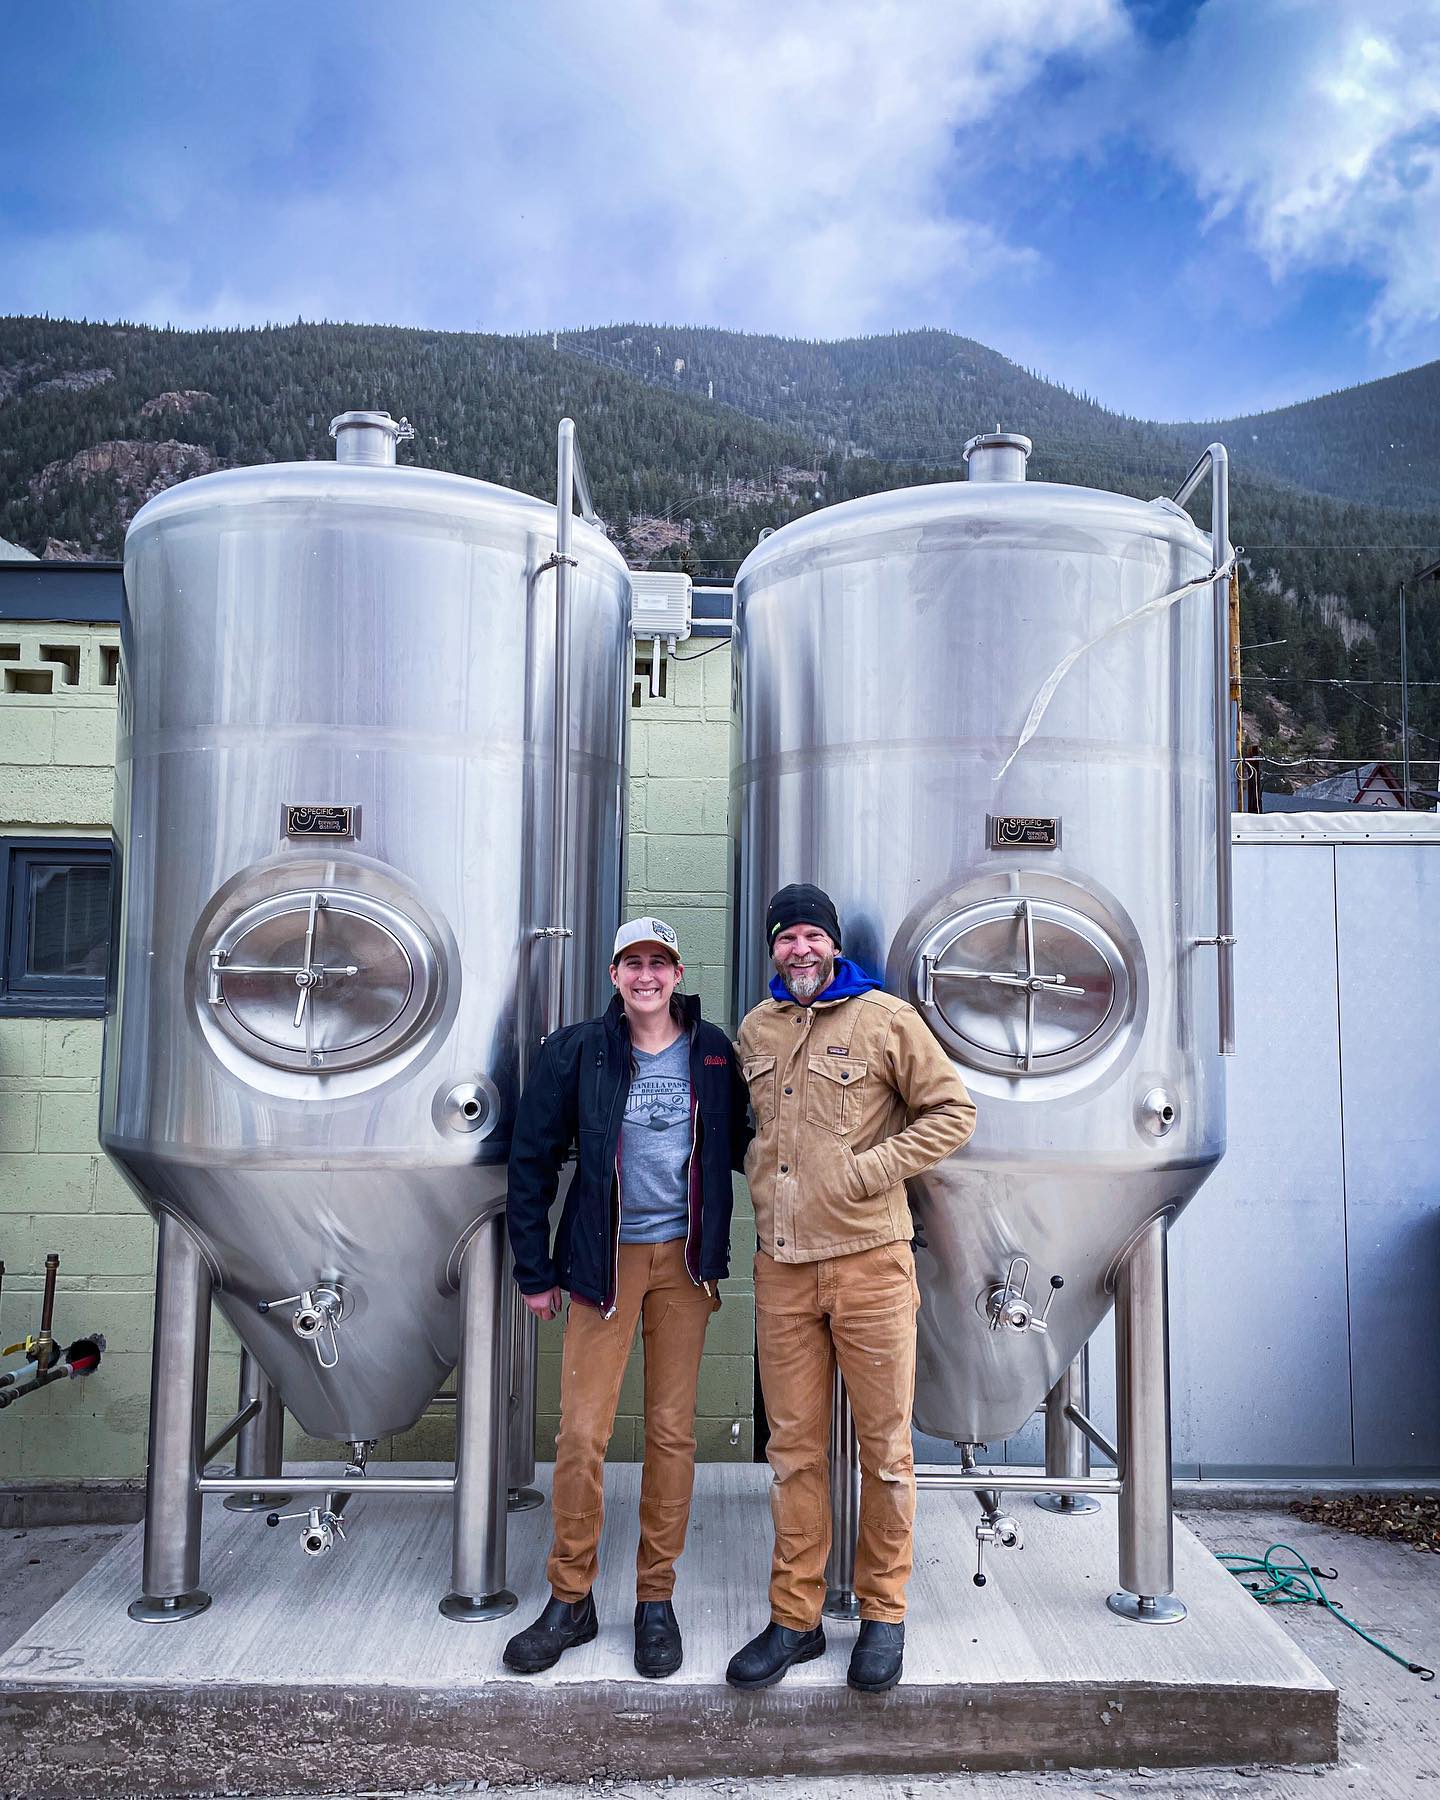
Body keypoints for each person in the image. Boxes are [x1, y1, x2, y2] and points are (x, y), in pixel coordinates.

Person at [726, 884, 977, 1695]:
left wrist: (868, 1172)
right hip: (782, 1269)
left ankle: (884, 1614)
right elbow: (754, 1132)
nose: (799, 950)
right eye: (785, 938)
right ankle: (795, 1620)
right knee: (793, 1453)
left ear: (832, 944)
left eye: (811, 936)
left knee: (887, 1453)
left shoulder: (887, 1019)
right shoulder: (757, 1029)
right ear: (773, 949)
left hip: (871, 1264)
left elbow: (952, 1112)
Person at [503, 916, 751, 1679]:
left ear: (677, 974)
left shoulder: (713, 1052)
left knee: (672, 1435)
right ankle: (570, 1597)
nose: (647, 975)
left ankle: (655, 1598)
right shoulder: (578, 1050)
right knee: (582, 1434)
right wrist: (535, 1271)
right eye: (633, 963)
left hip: (685, 1265)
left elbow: (751, 1145)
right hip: (600, 1264)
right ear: (614, 974)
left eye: (659, 963)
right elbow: (531, 1158)